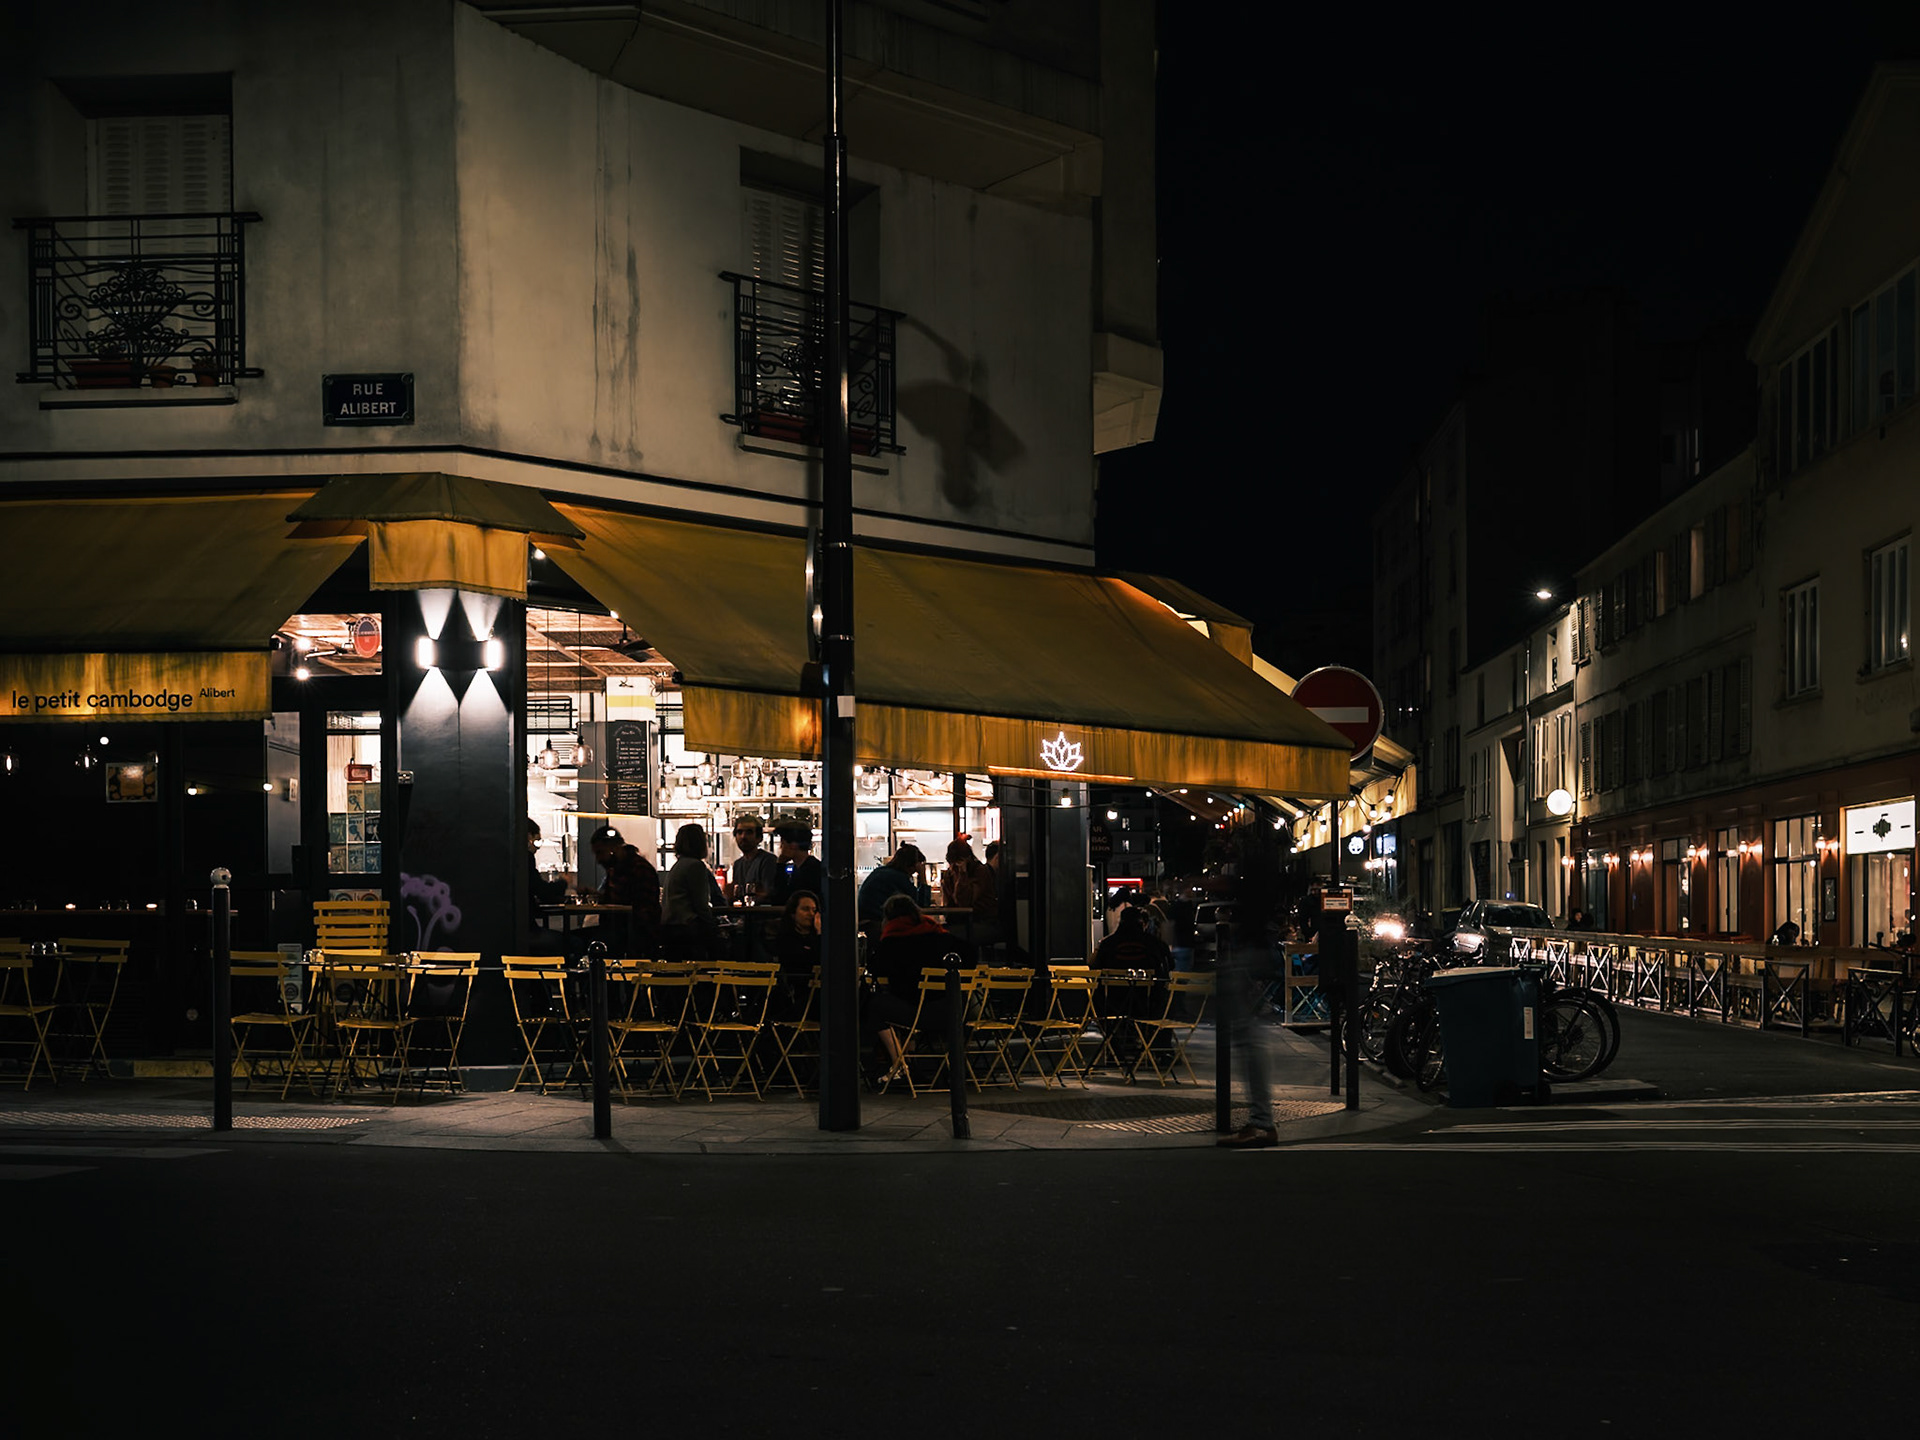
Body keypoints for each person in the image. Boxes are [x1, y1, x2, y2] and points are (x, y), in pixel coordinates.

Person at [869, 893, 953, 1082]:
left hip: (913, 1012)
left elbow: (876, 969)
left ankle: (900, 1064)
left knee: (875, 1007)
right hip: (948, 1010)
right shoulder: (938, 933)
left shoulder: (892, 939)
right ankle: (922, 1062)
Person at [589, 823, 660, 954]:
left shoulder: (636, 869)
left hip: (634, 935)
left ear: (613, 848)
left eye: (600, 853)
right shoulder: (620, 867)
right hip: (626, 932)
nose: (598, 859)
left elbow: (637, 909)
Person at [660, 823, 723, 963]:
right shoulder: (696, 866)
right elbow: (701, 904)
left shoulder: (678, 865)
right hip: (688, 929)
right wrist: (711, 926)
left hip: (671, 929)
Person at [941, 836, 1000, 950]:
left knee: (949, 937)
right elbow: (949, 904)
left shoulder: (980, 872)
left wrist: (962, 875)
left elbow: (965, 901)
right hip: (963, 922)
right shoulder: (949, 875)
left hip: (982, 921)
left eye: (958, 862)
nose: (954, 867)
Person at [858, 842, 930, 934]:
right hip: (878, 923)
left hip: (867, 919)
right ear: (912, 866)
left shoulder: (881, 872)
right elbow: (921, 905)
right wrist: (922, 878)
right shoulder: (900, 878)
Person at [1094, 904, 1172, 978]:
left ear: (1120, 923)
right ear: (1141, 923)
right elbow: (1170, 965)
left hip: (1112, 986)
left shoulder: (1108, 944)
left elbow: (1097, 966)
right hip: (1148, 986)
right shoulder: (1155, 943)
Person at [768, 821, 825, 907]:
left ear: (793, 845)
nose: (781, 847)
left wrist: (780, 864)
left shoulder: (808, 871)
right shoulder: (808, 866)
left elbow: (780, 899)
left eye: (783, 843)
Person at [728, 814, 781, 905]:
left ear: (759, 838)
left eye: (749, 832)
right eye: (739, 832)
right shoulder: (738, 864)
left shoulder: (768, 860)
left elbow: (767, 894)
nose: (743, 836)